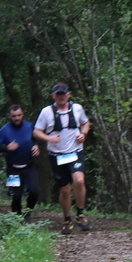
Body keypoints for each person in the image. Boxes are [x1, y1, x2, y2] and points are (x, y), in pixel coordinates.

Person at [33, 83, 92, 234]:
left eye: (64, 94)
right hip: (57, 155)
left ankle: (80, 213)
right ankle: (67, 219)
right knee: (65, 189)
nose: (61, 97)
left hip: (76, 152)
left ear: (69, 94)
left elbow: (86, 123)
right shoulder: (46, 112)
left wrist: (83, 134)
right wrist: (49, 138)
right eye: (58, 94)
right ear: (53, 96)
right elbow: (36, 132)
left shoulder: (77, 108)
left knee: (79, 181)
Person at [0, 104, 39, 221]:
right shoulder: (4, 130)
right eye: (14, 116)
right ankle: (17, 218)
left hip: (29, 166)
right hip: (13, 168)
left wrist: (36, 146)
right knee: (16, 196)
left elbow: (36, 138)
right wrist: (6, 147)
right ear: (9, 116)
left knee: (34, 191)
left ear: (23, 114)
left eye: (19, 115)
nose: (17, 118)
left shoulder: (29, 126)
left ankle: (28, 214)